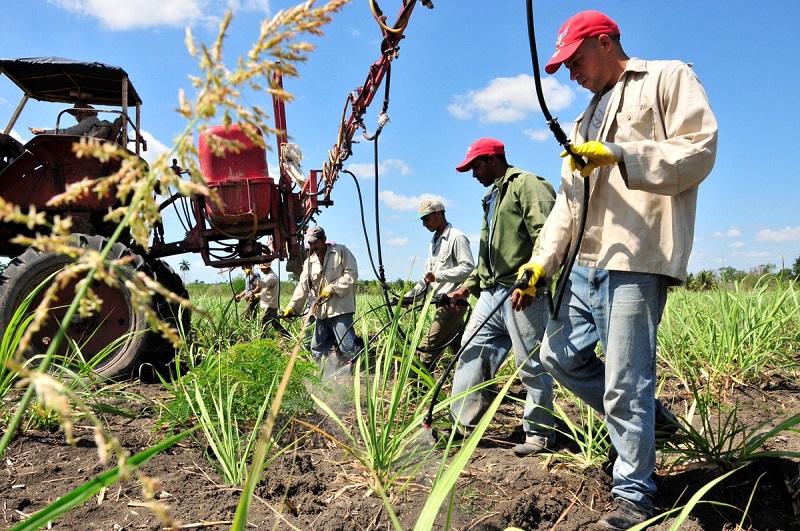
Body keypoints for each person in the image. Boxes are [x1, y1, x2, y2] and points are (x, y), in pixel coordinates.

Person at [516, 10, 718, 529]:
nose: (570, 73)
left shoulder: (667, 77)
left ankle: (634, 495)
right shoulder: (584, 120)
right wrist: (540, 263)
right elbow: (567, 203)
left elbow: (698, 151)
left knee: (625, 380)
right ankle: (654, 425)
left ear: (605, 43)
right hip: (586, 260)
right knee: (558, 355)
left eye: (575, 60)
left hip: (637, 256)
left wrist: (621, 152)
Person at [446, 137, 556, 457]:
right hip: (492, 293)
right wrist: (468, 287)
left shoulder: (526, 185)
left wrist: (533, 280)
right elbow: (488, 256)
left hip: (523, 292)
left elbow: (548, 235)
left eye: (475, 166)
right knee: (470, 353)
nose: (473, 174)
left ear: (493, 160)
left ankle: (539, 434)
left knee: (531, 364)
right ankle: (462, 425)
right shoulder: (492, 197)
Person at [402, 198, 474, 369]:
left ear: (438, 214)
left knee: (425, 351)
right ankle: (474, 386)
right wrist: (408, 297)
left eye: (426, 219)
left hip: (452, 305)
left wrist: (438, 276)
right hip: (440, 303)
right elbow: (427, 277)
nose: (424, 224)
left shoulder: (456, 237)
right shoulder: (434, 242)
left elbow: (469, 269)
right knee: (461, 351)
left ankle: (417, 391)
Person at [283, 226, 359, 366]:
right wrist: (292, 306)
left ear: (324, 239)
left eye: (315, 243)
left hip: (340, 308)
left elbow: (352, 274)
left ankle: (358, 370)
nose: (312, 246)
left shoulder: (341, 251)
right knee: (317, 348)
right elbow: (303, 286)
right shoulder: (309, 262)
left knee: (346, 347)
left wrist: (332, 287)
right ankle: (320, 375)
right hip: (321, 312)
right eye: (310, 243)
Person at [257, 261, 288, 338]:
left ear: (267, 268)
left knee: (264, 324)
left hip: (270, 305)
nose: (261, 270)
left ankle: (262, 339)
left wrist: (253, 275)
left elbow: (262, 284)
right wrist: (259, 295)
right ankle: (287, 337)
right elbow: (267, 290)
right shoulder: (269, 276)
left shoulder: (271, 276)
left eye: (262, 269)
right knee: (275, 323)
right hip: (269, 305)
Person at [29, 103, 101, 136]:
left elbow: (68, 132)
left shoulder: (90, 120)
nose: (77, 115)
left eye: (80, 112)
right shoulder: (88, 125)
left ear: (89, 112)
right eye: (75, 114)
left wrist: (43, 132)